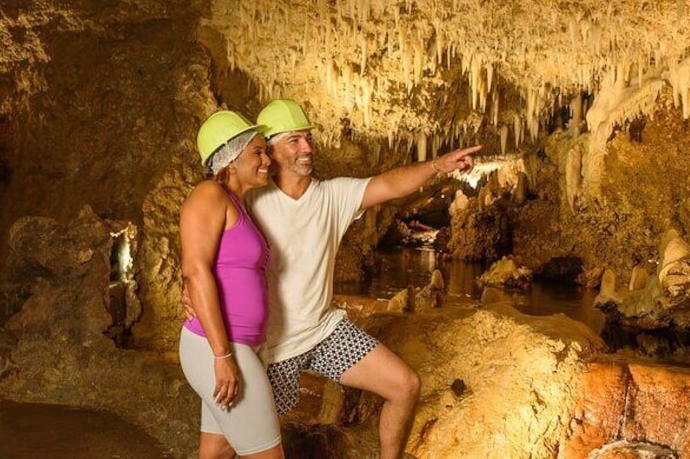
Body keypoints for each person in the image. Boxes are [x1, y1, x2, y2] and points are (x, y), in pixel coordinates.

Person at [185, 99, 480, 459]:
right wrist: (192, 293)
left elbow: (389, 185)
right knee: (225, 446)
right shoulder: (249, 198)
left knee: (405, 385)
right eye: (294, 141)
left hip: (324, 332)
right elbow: (205, 251)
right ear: (270, 151)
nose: (307, 148)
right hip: (271, 346)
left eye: (308, 138)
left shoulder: (332, 196)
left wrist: (438, 165)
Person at [179, 110, 284, 459]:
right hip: (220, 347)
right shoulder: (209, 194)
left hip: (238, 346)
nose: (266, 159)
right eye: (257, 151)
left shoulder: (238, 203)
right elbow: (196, 269)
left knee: (217, 452)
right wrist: (222, 355)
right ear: (230, 158)